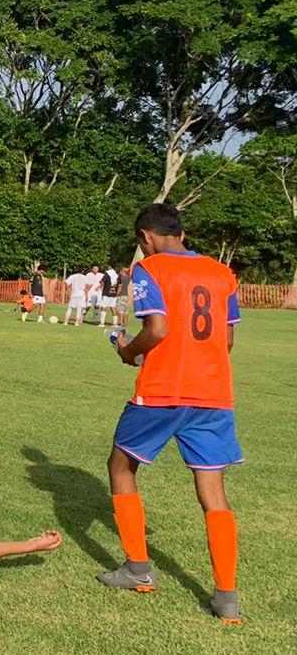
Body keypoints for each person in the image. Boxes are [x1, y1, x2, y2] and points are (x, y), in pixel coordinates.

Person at [104, 202, 244, 623]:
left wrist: (127, 351)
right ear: (181, 233)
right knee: (213, 490)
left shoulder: (151, 268)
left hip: (164, 391)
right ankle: (226, 596)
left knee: (121, 466)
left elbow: (158, 329)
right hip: (214, 393)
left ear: (145, 237)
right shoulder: (222, 273)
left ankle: (138, 568)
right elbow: (227, 340)